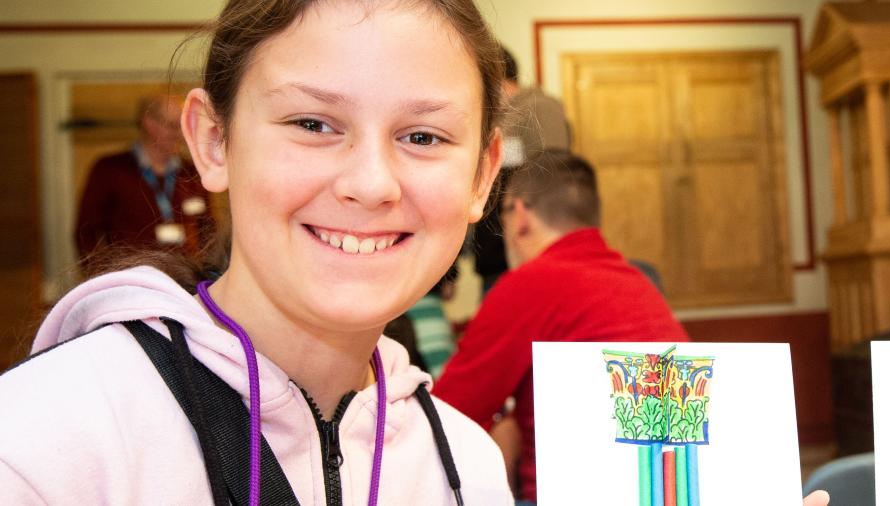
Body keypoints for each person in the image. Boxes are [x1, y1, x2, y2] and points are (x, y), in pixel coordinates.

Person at [0, 0, 516, 503]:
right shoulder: (43, 443)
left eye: (423, 136)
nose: (371, 183)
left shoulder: (467, 467)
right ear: (213, 141)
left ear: (482, 176)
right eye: (312, 124)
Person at [434, 150, 688, 505]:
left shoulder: (529, 285)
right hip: (670, 490)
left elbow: (443, 420)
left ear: (520, 215)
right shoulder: (638, 282)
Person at [471, 47, 572, 295]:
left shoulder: (539, 109)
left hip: (525, 255)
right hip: (497, 256)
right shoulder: (497, 117)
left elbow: (551, 180)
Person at [75, 94, 213, 261]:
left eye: (183, 127)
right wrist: (104, 279)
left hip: (184, 279)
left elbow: (208, 229)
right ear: (149, 123)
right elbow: (86, 232)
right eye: (172, 126)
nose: (180, 134)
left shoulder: (192, 173)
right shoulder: (110, 170)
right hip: (131, 280)